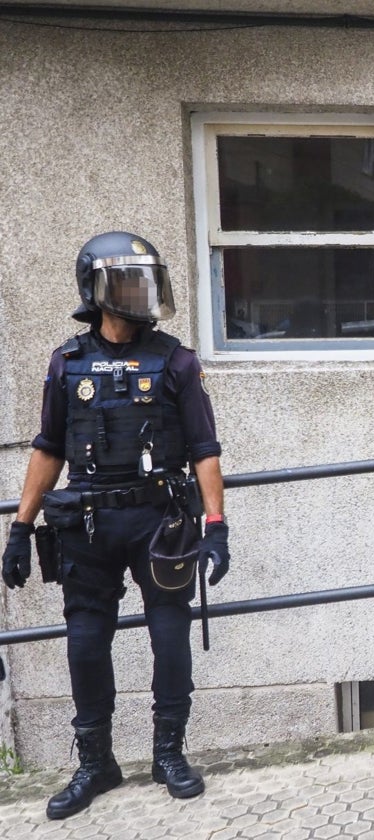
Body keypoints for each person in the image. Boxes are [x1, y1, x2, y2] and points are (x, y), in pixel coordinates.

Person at [1, 231, 230, 820]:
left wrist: (216, 524)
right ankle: (96, 762)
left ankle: (169, 755)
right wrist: (21, 528)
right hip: (88, 524)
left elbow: (204, 449)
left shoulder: (176, 360)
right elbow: (48, 447)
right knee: (84, 644)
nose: (140, 292)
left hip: (159, 520)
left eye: (146, 280)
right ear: (97, 290)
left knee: (170, 637)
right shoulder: (67, 362)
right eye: (128, 281)